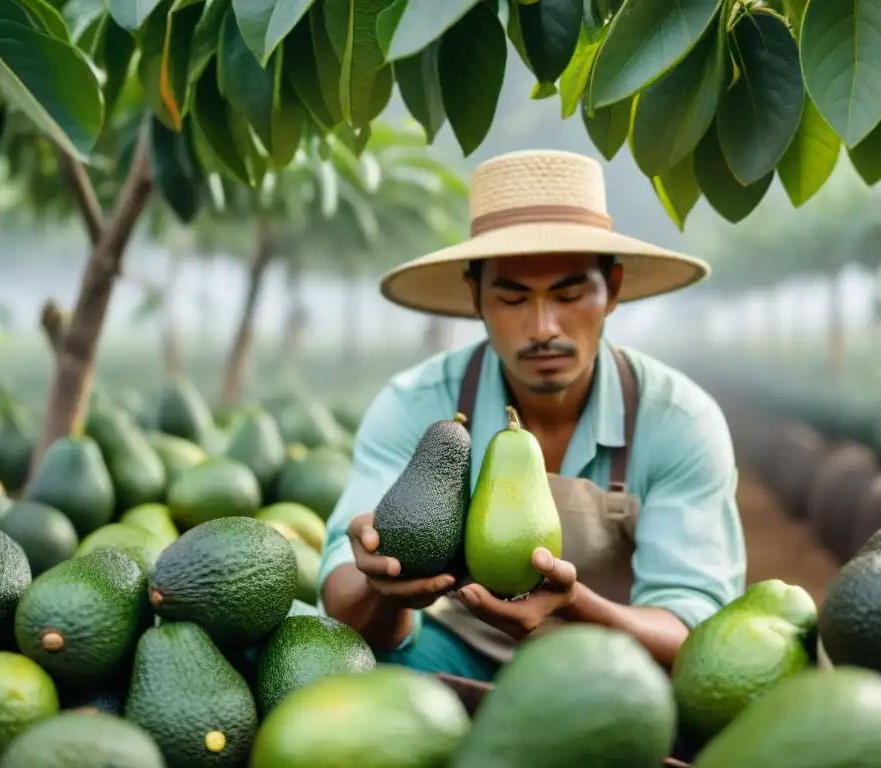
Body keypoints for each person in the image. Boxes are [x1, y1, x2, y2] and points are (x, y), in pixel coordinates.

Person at [317, 149, 746, 684]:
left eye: (569, 294)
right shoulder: (414, 404)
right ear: (476, 296)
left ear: (612, 290)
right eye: (514, 299)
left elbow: (695, 632)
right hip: (456, 654)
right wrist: (378, 582)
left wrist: (575, 606)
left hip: (614, 673)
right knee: (310, 654)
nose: (544, 327)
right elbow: (341, 606)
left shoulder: (677, 421)